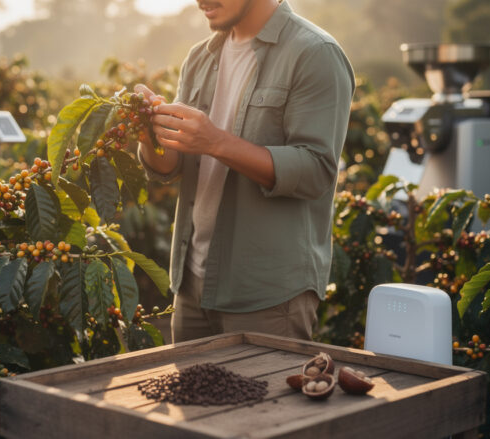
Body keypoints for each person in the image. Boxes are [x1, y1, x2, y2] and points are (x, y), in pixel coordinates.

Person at [135, 0, 355, 343]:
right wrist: (149, 135)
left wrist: (216, 142)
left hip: (266, 294)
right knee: (188, 397)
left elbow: (316, 171)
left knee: (269, 398)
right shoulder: (200, 57)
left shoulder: (314, 53)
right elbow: (172, 167)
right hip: (193, 283)